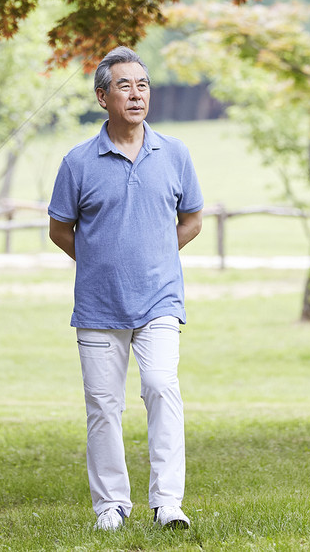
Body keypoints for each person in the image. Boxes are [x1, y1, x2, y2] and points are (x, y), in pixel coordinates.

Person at [48, 46, 204, 532]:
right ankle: (111, 506)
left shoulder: (175, 154)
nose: (136, 94)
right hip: (97, 307)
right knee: (103, 406)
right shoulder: (77, 162)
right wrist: (100, 264)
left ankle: (168, 502)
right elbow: (59, 229)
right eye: (124, 86)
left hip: (159, 300)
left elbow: (193, 219)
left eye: (143, 85)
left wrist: (156, 256)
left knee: (161, 387)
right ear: (102, 96)